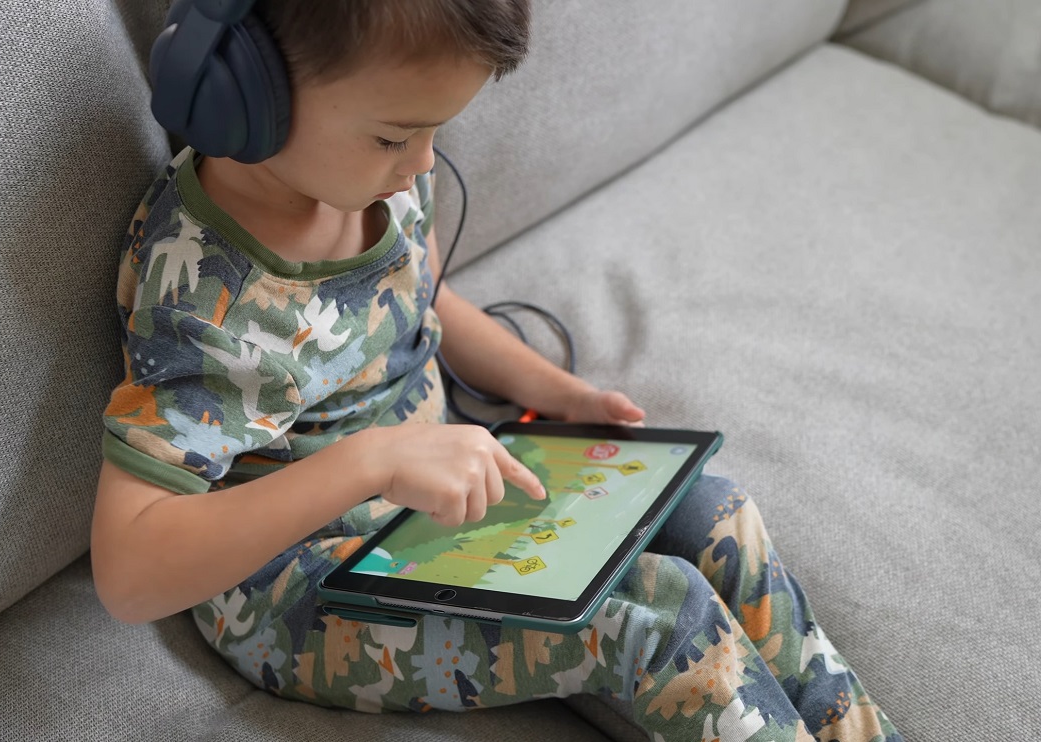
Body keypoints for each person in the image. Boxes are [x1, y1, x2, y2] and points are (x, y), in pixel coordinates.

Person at [92, 1, 902, 739]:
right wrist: (369, 462)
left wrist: (557, 394)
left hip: (433, 507)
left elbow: (423, 305)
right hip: (300, 595)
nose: (420, 166)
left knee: (711, 508)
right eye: (394, 136)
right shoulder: (204, 299)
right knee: (659, 618)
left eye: (435, 132)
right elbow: (131, 572)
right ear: (246, 92)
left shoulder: (376, 181)